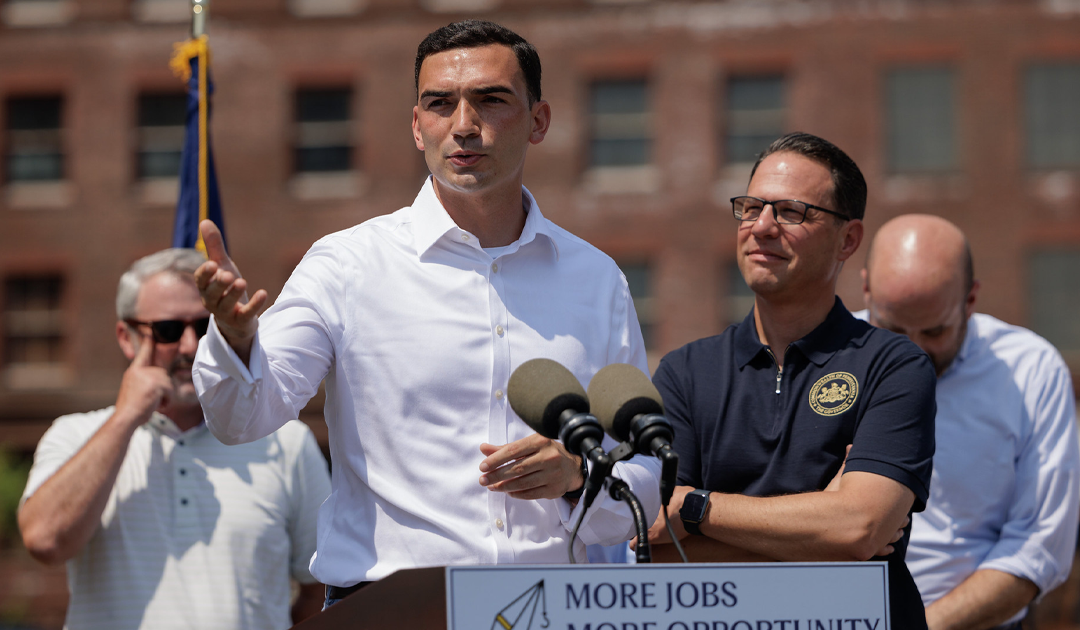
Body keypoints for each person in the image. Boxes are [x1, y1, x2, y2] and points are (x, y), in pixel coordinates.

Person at [190, 19, 660, 604]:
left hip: (554, 604)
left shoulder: (596, 279)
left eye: (491, 100)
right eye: (440, 104)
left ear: (538, 121)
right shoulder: (346, 265)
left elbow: (640, 486)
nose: (464, 126)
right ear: (417, 127)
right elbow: (241, 419)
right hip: (392, 606)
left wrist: (573, 478)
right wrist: (236, 341)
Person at [647, 132, 937, 628]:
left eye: (790, 212)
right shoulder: (685, 372)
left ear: (848, 239)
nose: (761, 227)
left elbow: (860, 527)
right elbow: (654, 545)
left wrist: (694, 507)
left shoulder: (895, 364)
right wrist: (824, 532)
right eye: (750, 207)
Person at [17, 249, 331, 630]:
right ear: (126, 337)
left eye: (203, 328)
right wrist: (126, 417)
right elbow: (45, 541)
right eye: (167, 330)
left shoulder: (286, 443)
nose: (188, 346)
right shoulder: (75, 434)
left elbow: (321, 586)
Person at [860, 214, 1080, 630]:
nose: (912, 353)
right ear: (866, 288)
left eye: (934, 331)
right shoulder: (828, 356)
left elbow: (1039, 549)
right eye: (890, 329)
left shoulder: (1029, 371)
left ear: (971, 299)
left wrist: (919, 627)